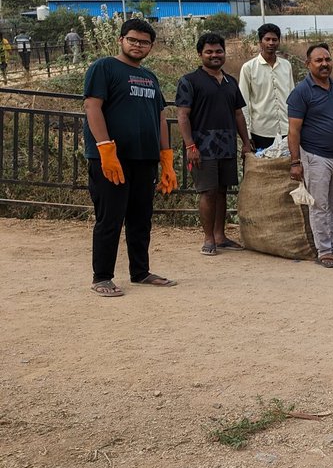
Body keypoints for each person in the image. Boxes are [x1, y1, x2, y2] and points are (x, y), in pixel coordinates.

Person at [82, 18, 178, 296]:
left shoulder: (150, 77)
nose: (138, 45)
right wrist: (104, 149)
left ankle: (141, 271)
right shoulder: (104, 67)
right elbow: (92, 106)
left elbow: (160, 117)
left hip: (144, 158)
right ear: (121, 40)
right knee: (110, 218)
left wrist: (166, 158)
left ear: (151, 46)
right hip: (112, 160)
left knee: (140, 218)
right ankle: (102, 277)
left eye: (144, 42)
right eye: (132, 40)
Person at [176, 32, 255, 257]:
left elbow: (238, 114)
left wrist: (246, 143)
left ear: (224, 53)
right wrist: (190, 146)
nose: (214, 55)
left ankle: (220, 236)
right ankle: (208, 238)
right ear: (200, 54)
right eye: (209, 52)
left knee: (222, 191)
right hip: (202, 147)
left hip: (227, 145)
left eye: (218, 51)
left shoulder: (230, 81)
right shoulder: (189, 81)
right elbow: (182, 116)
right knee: (208, 192)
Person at [286, 43, 333, 269]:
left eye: (327, 60)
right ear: (307, 64)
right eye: (319, 60)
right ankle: (325, 251)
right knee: (320, 205)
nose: (324, 64)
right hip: (315, 156)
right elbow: (294, 130)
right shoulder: (301, 92)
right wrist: (295, 162)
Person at [238, 23, 295, 151]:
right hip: (261, 132)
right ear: (260, 42)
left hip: (287, 130)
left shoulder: (286, 66)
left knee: (287, 169)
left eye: (274, 40)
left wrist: (295, 127)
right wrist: (247, 136)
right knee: (263, 169)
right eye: (267, 39)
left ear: (279, 42)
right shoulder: (249, 68)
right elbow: (243, 103)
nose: (271, 43)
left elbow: (292, 97)